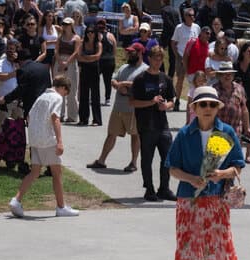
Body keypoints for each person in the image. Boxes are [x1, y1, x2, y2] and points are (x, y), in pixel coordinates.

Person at [166, 85, 246, 260]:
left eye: (212, 104)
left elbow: (237, 167)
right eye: (203, 104)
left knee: (218, 249)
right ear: (195, 108)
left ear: (218, 107)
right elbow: (172, 168)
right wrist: (191, 178)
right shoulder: (184, 134)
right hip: (188, 200)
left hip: (215, 199)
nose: (207, 108)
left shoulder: (226, 132)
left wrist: (221, 173)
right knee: (187, 249)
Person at [8, 75, 80, 218]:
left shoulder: (41, 97)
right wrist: (59, 141)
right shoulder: (57, 98)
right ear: (63, 88)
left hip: (35, 139)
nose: (64, 96)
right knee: (57, 173)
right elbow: (55, 117)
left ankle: (16, 200)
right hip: (48, 140)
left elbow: (29, 116)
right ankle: (61, 207)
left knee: (34, 172)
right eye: (66, 93)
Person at [86, 41, 145, 172]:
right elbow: (114, 78)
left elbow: (141, 86)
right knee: (111, 134)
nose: (128, 54)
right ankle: (101, 161)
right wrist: (115, 83)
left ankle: (133, 163)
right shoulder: (124, 67)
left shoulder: (144, 69)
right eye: (128, 52)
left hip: (133, 108)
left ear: (140, 53)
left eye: (132, 52)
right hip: (118, 107)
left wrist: (125, 85)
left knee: (135, 135)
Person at [130, 45, 176, 202]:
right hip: (146, 125)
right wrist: (151, 102)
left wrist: (166, 106)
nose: (158, 61)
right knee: (147, 159)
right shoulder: (141, 79)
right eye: (155, 57)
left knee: (168, 158)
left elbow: (172, 101)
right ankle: (149, 189)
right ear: (149, 58)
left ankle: (164, 188)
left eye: (160, 58)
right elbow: (133, 102)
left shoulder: (166, 79)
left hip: (162, 124)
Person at [170, 8, 198, 111]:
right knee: (180, 80)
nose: (192, 17)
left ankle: (194, 101)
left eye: (193, 15)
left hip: (193, 58)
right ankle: (177, 100)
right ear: (185, 16)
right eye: (190, 15)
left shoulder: (196, 27)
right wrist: (177, 55)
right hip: (181, 56)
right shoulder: (179, 28)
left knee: (194, 81)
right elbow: (173, 42)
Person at [53, 17, 80, 122]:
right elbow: (56, 50)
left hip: (71, 63)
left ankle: (72, 115)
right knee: (58, 88)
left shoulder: (76, 38)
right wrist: (60, 62)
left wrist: (66, 63)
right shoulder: (60, 37)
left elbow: (76, 52)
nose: (65, 26)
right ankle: (60, 114)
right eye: (64, 24)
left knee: (72, 90)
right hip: (59, 62)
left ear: (72, 25)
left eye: (68, 24)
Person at [75, 25, 101, 126]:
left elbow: (97, 56)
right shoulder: (82, 43)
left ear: (95, 33)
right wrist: (90, 58)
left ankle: (96, 120)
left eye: (92, 32)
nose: (90, 34)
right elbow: (78, 57)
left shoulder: (98, 44)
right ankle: (83, 119)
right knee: (83, 95)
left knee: (95, 95)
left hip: (94, 70)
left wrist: (86, 57)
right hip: (85, 70)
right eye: (88, 32)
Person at [95, 18, 116, 105]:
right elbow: (114, 49)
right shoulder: (111, 35)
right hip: (110, 60)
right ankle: (107, 99)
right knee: (107, 81)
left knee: (95, 80)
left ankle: (95, 97)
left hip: (99, 60)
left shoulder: (97, 35)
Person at [157, 0, 178, 77]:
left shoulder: (164, 10)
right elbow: (178, 23)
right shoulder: (175, 11)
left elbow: (167, 22)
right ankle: (170, 76)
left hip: (166, 35)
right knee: (172, 58)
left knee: (159, 53)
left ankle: (162, 73)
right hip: (174, 35)